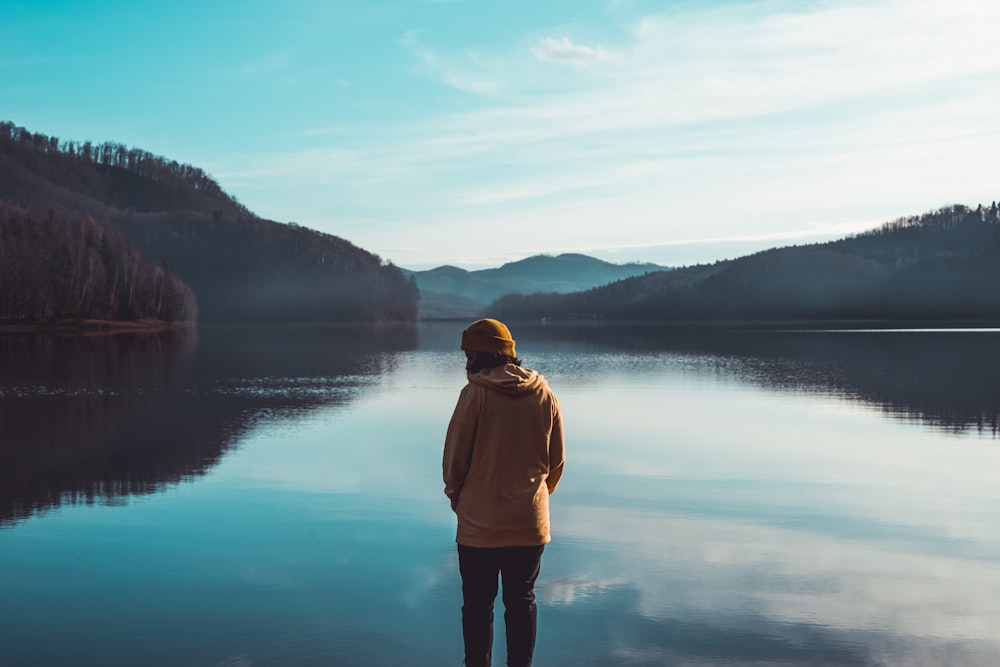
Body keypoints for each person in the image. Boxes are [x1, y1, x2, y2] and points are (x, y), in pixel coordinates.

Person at [443, 318, 565, 667]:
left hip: (480, 525)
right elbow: (556, 461)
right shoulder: (544, 393)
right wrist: (535, 500)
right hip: (529, 523)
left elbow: (454, 462)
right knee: (522, 600)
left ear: (488, 356)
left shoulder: (474, 395)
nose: (467, 363)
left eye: (471, 355)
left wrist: (458, 499)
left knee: (478, 606)